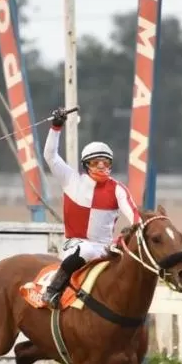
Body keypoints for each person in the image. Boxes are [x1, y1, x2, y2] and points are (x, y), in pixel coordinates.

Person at [40, 106, 142, 308]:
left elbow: (134, 215)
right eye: (96, 163)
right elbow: (50, 156)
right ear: (86, 165)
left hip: (105, 246)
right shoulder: (71, 179)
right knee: (86, 249)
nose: (102, 167)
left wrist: (136, 229)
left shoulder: (118, 189)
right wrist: (56, 127)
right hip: (76, 244)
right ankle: (53, 290)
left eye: (106, 163)